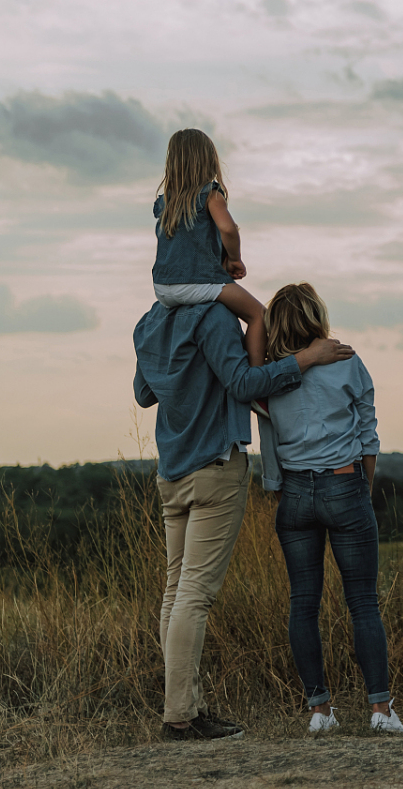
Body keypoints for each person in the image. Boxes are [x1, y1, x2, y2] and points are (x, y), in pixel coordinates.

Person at [133, 292, 355, 741]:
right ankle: (180, 716)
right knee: (194, 594)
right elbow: (245, 385)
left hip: (171, 471)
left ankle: (186, 707)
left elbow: (143, 393)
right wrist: (307, 358)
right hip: (214, 465)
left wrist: (188, 379)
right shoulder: (214, 316)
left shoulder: (150, 321)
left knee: (176, 589)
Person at [255, 282, 403, 735]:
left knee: (303, 604)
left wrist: (278, 487)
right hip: (345, 485)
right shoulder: (347, 363)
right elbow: (368, 434)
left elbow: (267, 442)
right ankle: (380, 712)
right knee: (363, 602)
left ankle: (320, 713)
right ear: (317, 317)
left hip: (295, 494)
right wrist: (363, 487)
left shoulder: (271, 374)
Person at [153, 128, 269, 367]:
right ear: (209, 160)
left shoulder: (165, 201)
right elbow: (227, 229)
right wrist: (235, 259)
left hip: (163, 288)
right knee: (259, 315)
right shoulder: (211, 194)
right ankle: (257, 376)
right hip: (196, 281)